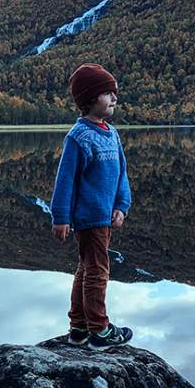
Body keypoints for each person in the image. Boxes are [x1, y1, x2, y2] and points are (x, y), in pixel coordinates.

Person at [51, 63, 134, 347]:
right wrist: (60, 217)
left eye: (114, 93)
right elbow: (65, 181)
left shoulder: (111, 133)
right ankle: (100, 330)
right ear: (88, 99)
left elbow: (122, 174)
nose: (114, 99)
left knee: (86, 269)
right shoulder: (78, 137)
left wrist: (122, 205)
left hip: (105, 216)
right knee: (97, 270)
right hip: (88, 217)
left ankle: (78, 328)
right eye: (107, 93)